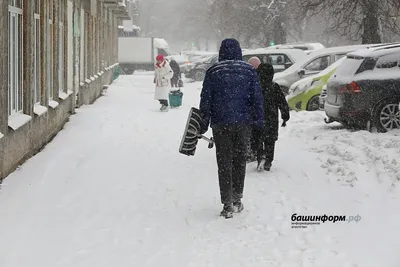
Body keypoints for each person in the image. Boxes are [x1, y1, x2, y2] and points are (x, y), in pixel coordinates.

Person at [199, 38, 264, 219]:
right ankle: (237, 198)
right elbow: (257, 98)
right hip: (242, 123)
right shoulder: (249, 71)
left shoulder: (213, 72)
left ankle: (227, 203)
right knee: (239, 160)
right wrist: (259, 120)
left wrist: (203, 123)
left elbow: (206, 100)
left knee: (224, 162)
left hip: (220, 124)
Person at [254, 63, 290, 171]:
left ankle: (260, 157)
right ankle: (268, 160)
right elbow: (282, 103)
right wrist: (285, 116)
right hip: (271, 118)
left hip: (258, 118)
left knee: (258, 139)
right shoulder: (274, 87)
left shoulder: (255, 87)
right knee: (270, 141)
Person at [246, 56, 262, 162]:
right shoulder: (261, 78)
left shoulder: (246, 77)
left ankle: (249, 151)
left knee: (249, 133)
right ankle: (255, 151)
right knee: (256, 133)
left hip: (247, 112)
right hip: (256, 111)